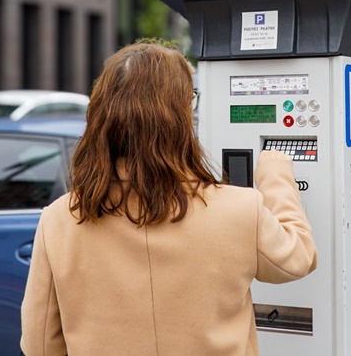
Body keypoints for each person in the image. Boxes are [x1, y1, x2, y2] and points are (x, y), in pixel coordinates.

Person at [20, 40, 317, 356]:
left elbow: (40, 345)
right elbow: (297, 258)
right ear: (182, 117)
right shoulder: (241, 209)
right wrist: (275, 173)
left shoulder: (60, 219)